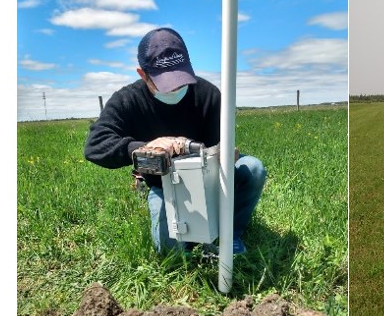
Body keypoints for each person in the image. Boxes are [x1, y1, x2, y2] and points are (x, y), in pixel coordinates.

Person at [84, 27, 266, 255]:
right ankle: (151, 194)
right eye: (165, 82)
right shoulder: (127, 100)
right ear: (143, 74)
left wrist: (225, 153)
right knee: (172, 253)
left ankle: (231, 233)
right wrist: (144, 148)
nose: (176, 88)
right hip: (164, 184)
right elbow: (95, 145)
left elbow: (219, 145)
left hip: (209, 177)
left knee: (253, 169)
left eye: (180, 78)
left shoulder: (208, 94)